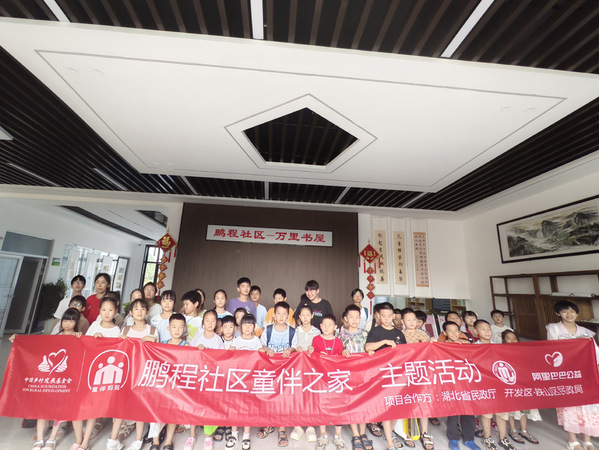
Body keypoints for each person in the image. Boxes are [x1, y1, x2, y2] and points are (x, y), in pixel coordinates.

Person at [19, 307, 83, 450]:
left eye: (71, 321)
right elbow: (36, 348)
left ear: (76, 322)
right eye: (65, 320)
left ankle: (52, 438)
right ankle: (40, 439)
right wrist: (18, 340)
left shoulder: (78, 337)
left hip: (65, 381)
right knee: (42, 408)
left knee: (59, 409)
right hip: (50, 380)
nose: (67, 323)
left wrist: (80, 337)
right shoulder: (54, 337)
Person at [546, 300, 599, 450]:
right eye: (564, 311)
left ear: (576, 313)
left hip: (585, 373)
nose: (569, 314)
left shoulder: (586, 332)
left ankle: (587, 439)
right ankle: (572, 440)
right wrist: (577, 341)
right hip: (565, 374)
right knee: (570, 406)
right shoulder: (554, 328)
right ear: (558, 313)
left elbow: (595, 353)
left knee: (588, 405)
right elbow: (552, 348)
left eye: (572, 311)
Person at [106, 299, 158, 450]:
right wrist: (120, 341)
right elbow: (118, 351)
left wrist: (152, 341)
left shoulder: (152, 330)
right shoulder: (126, 330)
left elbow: (157, 354)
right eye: (136, 308)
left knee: (139, 406)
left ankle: (138, 440)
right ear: (130, 312)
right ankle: (113, 439)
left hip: (143, 374)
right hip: (126, 373)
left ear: (147, 311)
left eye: (142, 308)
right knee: (120, 405)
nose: (139, 311)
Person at [72, 298, 120, 450]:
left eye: (110, 310)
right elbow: (84, 343)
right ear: (99, 311)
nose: (107, 313)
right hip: (87, 369)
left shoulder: (116, 330)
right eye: (104, 310)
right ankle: (78, 439)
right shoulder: (94, 325)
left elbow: (115, 351)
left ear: (116, 312)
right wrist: (82, 337)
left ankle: (85, 442)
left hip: (101, 374)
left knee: (92, 407)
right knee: (78, 405)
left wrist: (103, 340)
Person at [365, 302, 406, 450]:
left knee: (397, 407)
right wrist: (384, 342)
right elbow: (367, 347)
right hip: (381, 375)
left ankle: (389, 432)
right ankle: (389, 442)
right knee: (387, 407)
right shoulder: (375, 331)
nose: (387, 319)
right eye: (383, 316)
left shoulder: (399, 333)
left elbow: (406, 353)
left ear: (393, 316)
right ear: (379, 316)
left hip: (398, 375)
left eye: (389, 316)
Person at [258, 301, 297, 446]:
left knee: (283, 399)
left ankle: (282, 429)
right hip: (269, 370)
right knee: (268, 397)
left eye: (284, 314)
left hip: (286, 371)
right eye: (278, 313)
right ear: (274, 315)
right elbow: (262, 345)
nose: (281, 316)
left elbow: (295, 347)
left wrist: (290, 350)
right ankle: (268, 424)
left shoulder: (292, 331)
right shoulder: (268, 330)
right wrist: (266, 349)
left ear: (288, 316)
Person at [149, 313, 189, 450]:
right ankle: (155, 441)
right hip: (162, 384)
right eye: (174, 327)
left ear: (184, 329)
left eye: (180, 327)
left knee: (172, 412)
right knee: (156, 411)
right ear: (168, 328)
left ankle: (168, 441)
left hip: (176, 385)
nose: (177, 330)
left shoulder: (186, 345)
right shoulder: (162, 345)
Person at [473, 319, 514, 450]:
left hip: (499, 385)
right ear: (476, 331)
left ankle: (503, 438)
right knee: (487, 413)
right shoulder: (472, 348)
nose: (487, 332)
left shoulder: (498, 347)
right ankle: (487, 438)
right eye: (483, 329)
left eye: (489, 329)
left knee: (502, 413)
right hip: (484, 386)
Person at [308, 314, 346, 450]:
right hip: (320, 379)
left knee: (338, 407)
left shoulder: (339, 342)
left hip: (335, 379)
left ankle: (338, 436)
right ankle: (323, 435)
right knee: (322, 406)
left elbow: (342, 361)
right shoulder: (316, 340)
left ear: (335, 327)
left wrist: (345, 352)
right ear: (320, 326)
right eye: (324, 324)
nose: (326, 327)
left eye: (330, 325)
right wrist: (314, 352)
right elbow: (312, 358)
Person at [339, 305, 373, 450]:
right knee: (352, 403)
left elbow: (369, 348)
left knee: (363, 403)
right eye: (351, 317)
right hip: (348, 375)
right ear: (345, 319)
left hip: (363, 374)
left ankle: (363, 433)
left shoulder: (365, 334)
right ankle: (355, 434)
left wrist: (370, 351)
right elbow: (337, 350)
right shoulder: (340, 334)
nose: (354, 320)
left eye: (357, 317)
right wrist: (343, 350)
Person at [227, 314, 263, 450]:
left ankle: (246, 436)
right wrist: (230, 351)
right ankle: (234, 434)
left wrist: (261, 351)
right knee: (234, 407)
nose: (247, 327)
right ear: (240, 327)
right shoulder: (236, 341)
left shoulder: (256, 340)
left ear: (254, 327)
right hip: (237, 380)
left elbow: (260, 357)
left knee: (248, 407)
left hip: (250, 380)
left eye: (250, 325)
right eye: (245, 324)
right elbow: (230, 359)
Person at [443, 321, 480, 450]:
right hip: (451, 382)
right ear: (445, 333)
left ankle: (469, 439)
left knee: (469, 411)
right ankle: (453, 438)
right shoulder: (441, 345)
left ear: (460, 332)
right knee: (453, 412)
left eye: (456, 331)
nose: (454, 334)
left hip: (466, 381)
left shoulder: (466, 344)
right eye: (450, 331)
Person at [190, 310, 224, 450]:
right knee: (194, 405)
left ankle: (208, 436)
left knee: (210, 406)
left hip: (211, 378)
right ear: (203, 322)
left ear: (216, 323)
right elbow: (188, 357)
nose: (210, 323)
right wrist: (196, 350)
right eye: (207, 320)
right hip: (198, 377)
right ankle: (192, 435)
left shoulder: (218, 340)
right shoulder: (197, 338)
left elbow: (222, 359)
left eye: (213, 320)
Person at [401, 309, 435, 449]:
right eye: (408, 320)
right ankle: (408, 431)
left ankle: (425, 432)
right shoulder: (400, 335)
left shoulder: (424, 334)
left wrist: (433, 343)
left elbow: (431, 351)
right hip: (406, 373)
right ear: (402, 321)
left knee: (423, 400)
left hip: (422, 372)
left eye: (414, 320)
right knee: (408, 401)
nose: (411, 322)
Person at [502, 330, 541, 446]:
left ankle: (524, 430)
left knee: (525, 407)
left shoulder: (523, 351)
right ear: (503, 340)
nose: (512, 340)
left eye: (515, 338)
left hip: (523, 383)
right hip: (509, 384)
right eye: (509, 338)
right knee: (511, 407)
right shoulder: (501, 352)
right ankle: (512, 429)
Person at [289, 304, 320, 442]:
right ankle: (298, 426)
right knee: (298, 396)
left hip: (312, 370)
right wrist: (296, 348)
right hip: (298, 368)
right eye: (303, 315)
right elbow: (292, 346)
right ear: (299, 317)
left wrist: (314, 349)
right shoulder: (296, 331)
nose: (306, 318)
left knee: (311, 396)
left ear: (312, 316)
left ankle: (310, 427)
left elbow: (319, 347)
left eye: (308, 315)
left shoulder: (317, 331)